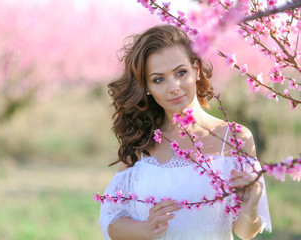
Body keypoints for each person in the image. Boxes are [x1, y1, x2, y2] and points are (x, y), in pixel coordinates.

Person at [99, 25, 271, 240]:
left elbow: (246, 233)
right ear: (147, 88)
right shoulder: (140, 142)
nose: (174, 87)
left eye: (181, 73)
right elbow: (112, 219)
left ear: (196, 70)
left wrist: (251, 204)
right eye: (158, 79)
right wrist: (147, 229)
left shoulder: (235, 137)